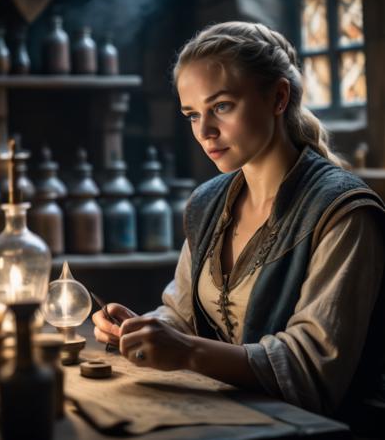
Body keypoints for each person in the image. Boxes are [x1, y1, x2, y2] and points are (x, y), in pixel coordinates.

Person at [92, 21, 385, 423]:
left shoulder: (343, 212)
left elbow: (312, 371)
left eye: (222, 107)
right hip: (229, 417)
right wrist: (142, 330)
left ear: (278, 97)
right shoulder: (207, 203)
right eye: (192, 115)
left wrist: (188, 352)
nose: (205, 132)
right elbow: (181, 316)